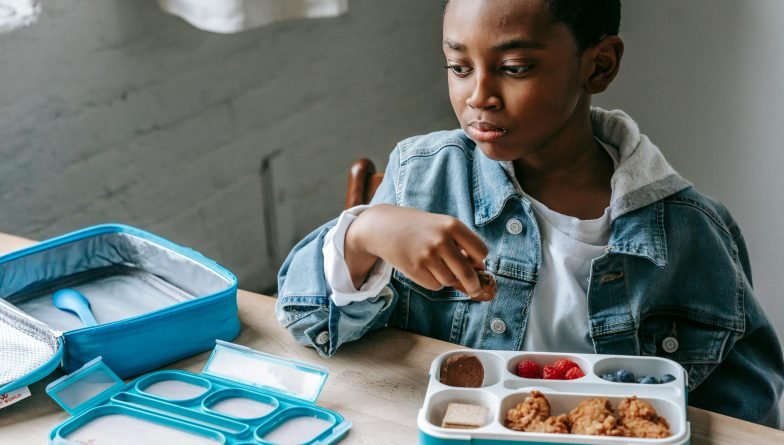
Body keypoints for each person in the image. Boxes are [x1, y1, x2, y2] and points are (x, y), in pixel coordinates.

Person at [275, 0, 784, 427]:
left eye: (514, 68)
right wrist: (365, 233)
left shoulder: (692, 231)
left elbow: (749, 411)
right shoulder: (421, 178)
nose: (478, 96)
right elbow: (306, 321)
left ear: (599, 65)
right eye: (459, 67)